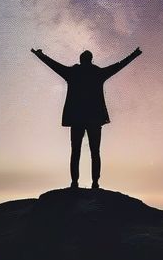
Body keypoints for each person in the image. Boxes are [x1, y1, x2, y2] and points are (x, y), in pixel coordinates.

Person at [30, 46, 142, 189]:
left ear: (81, 60)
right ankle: (94, 183)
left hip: (77, 118)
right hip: (94, 118)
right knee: (95, 152)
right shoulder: (97, 73)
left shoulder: (73, 73)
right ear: (91, 60)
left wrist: (40, 55)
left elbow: (53, 65)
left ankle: (75, 182)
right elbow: (119, 66)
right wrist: (134, 54)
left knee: (76, 151)